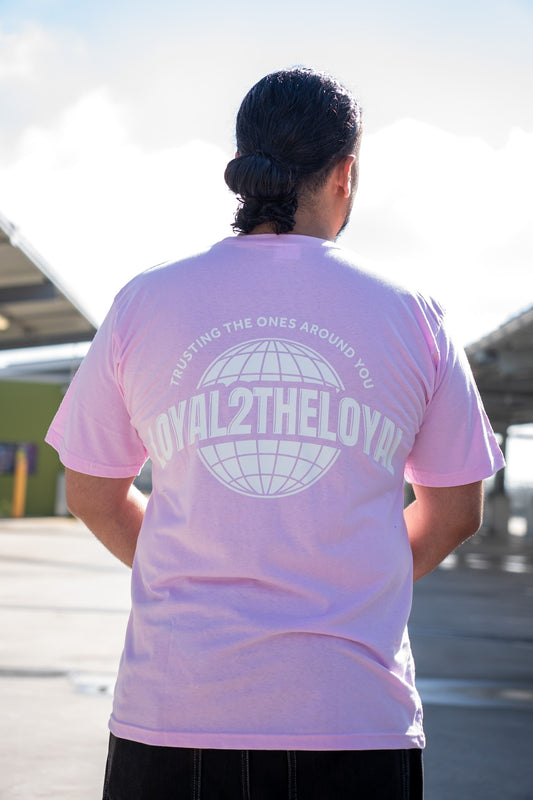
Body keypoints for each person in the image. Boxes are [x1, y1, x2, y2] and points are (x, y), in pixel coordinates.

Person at [46, 67, 504, 799]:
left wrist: (184, 568)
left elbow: (92, 495)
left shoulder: (145, 301)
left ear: (243, 166)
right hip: (353, 717)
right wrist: (352, 585)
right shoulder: (413, 315)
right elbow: (455, 512)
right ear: (345, 173)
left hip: (173, 713)